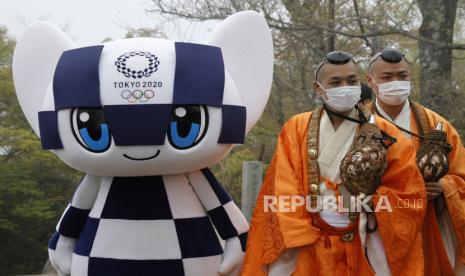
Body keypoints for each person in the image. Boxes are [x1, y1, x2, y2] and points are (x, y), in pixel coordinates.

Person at [242, 51, 426, 275]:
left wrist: (368, 201)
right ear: (318, 88)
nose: (345, 87)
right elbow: (282, 185)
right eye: (336, 82)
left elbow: (408, 187)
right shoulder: (296, 127)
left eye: (351, 80)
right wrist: (300, 230)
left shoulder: (385, 131)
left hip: (364, 239)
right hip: (310, 240)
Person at [366, 48, 465, 275]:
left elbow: (461, 177)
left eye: (402, 76)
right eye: (387, 77)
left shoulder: (436, 125)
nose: (396, 82)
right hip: (377, 226)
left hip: (428, 225)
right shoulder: (358, 124)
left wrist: (443, 187)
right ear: (370, 81)